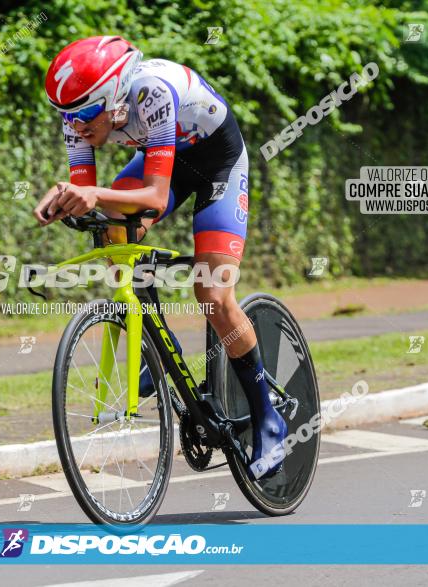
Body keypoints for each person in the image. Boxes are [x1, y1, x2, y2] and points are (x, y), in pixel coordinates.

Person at [32, 35, 286, 478]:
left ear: (113, 101)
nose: (76, 128)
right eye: (66, 118)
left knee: (211, 293)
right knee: (110, 230)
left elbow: (155, 194)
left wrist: (91, 193)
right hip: (163, 157)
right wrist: (68, 199)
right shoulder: (79, 116)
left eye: (85, 117)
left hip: (217, 163)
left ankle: (268, 416)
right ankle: (151, 347)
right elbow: (90, 193)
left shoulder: (152, 93)